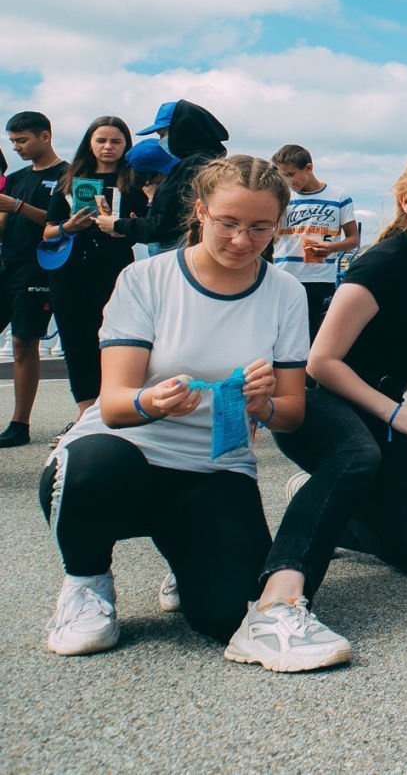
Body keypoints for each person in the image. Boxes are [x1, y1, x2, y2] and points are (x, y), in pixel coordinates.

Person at [40, 157, 325, 668]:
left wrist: (263, 405)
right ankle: (86, 582)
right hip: (126, 453)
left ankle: (183, 549)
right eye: (228, 223)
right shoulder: (145, 278)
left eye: (260, 228)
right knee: (94, 465)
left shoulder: (285, 291)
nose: (242, 240)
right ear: (200, 211)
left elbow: (292, 414)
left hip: (214, 467)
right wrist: (151, 402)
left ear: (277, 225)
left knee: (226, 615)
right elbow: (114, 405)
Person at [258, 155, 407, 653]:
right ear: (406, 202)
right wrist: (396, 413)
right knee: (359, 454)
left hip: (378, 411)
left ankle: (330, 498)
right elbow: (321, 361)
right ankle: (283, 594)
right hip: (319, 404)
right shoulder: (381, 264)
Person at [41, 117, 145, 426]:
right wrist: (68, 226)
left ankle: (112, 408)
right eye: (101, 140)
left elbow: (147, 227)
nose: (108, 147)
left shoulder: (135, 181)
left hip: (115, 268)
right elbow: (48, 231)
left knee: (116, 339)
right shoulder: (69, 180)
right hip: (70, 271)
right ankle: (86, 414)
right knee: (76, 342)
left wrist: (123, 225)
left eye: (116, 141)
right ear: (89, 142)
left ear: (126, 145)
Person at [1, 111, 67, 447]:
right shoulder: (15, 178)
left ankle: (19, 423)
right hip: (7, 264)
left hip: (39, 267)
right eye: (12, 141)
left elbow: (63, 222)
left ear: (45, 136)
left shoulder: (68, 175)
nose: (16, 147)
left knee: (23, 342)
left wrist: (17, 206)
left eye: (22, 140)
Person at [97, 99, 229, 252]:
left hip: (178, 257)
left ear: (181, 130)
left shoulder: (190, 167)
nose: (162, 141)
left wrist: (118, 225)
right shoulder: (209, 162)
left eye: (162, 134)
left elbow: (165, 225)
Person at [270, 144, 360, 342]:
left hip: (320, 278)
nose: (288, 181)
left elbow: (353, 240)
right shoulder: (282, 197)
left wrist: (331, 247)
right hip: (284, 274)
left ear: (309, 168)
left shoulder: (338, 197)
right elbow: (271, 234)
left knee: (315, 336)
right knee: (282, 334)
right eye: (283, 176)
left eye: (291, 174)